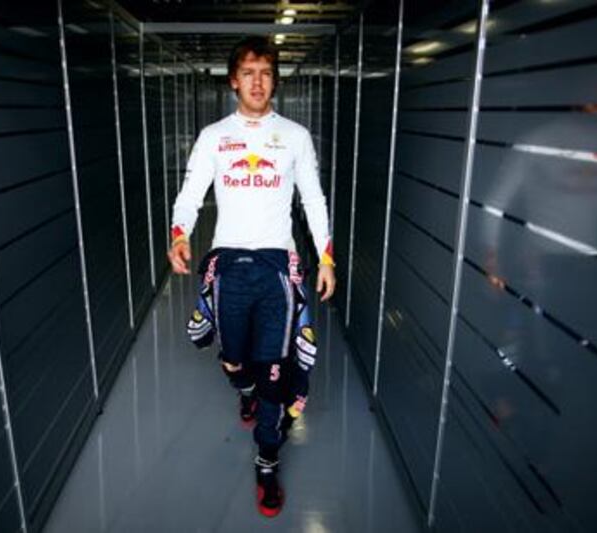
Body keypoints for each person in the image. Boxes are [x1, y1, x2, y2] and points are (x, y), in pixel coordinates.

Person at [167, 35, 335, 518]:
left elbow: (314, 200)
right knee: (235, 358)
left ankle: (266, 460)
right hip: (227, 266)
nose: (257, 82)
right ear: (233, 81)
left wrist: (326, 258)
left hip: (278, 267)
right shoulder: (215, 136)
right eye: (248, 73)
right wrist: (180, 234)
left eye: (265, 72)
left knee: (273, 371)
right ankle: (244, 389)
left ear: (275, 80)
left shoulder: (296, 137)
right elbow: (191, 191)